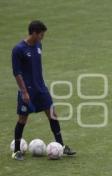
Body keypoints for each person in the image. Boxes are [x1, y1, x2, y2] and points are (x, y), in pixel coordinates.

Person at [11, 20, 76, 160]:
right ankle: (16, 150)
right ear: (34, 33)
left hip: (41, 89)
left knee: (53, 115)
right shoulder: (18, 49)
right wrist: (24, 91)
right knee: (22, 119)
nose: (42, 37)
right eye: (41, 35)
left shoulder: (38, 45)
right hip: (27, 90)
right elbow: (17, 72)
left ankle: (61, 146)